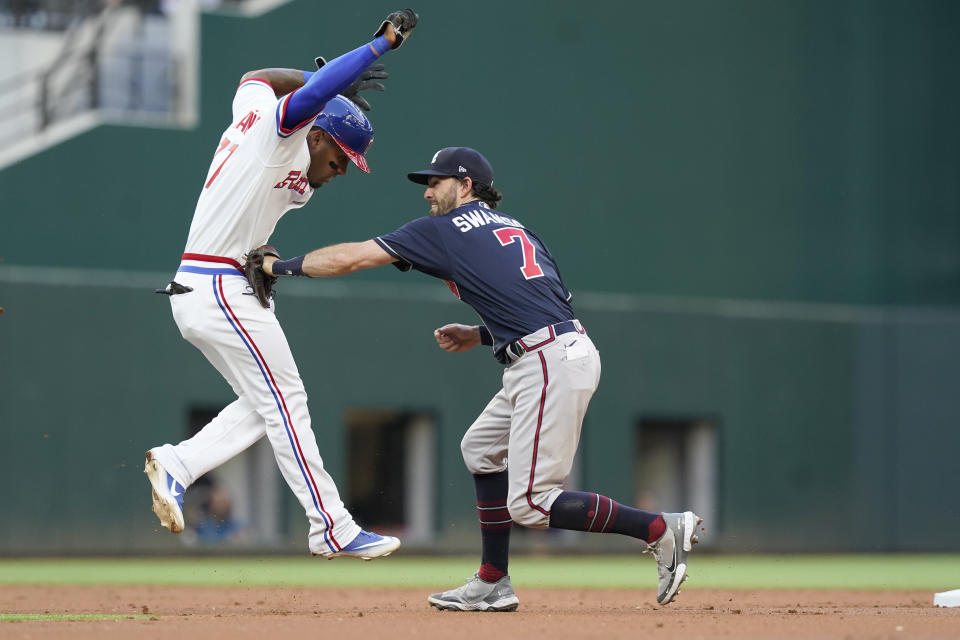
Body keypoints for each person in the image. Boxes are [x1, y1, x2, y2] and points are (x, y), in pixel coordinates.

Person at [252, 147, 704, 608]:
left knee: (532, 503)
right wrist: (481, 333)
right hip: (553, 349)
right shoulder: (517, 228)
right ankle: (492, 581)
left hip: (547, 360)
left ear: (465, 186)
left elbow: (352, 258)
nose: (427, 192)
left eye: (437, 181)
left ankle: (659, 527)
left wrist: (276, 266)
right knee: (481, 450)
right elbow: (547, 304)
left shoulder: (446, 229)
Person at [144, 8, 419, 561]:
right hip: (217, 285)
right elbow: (279, 89)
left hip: (206, 285)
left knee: (266, 402)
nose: (343, 171)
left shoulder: (273, 128)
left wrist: (318, 84)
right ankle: (332, 526)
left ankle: (179, 464)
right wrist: (373, 50)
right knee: (288, 400)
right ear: (318, 135)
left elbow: (253, 80)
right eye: (343, 158)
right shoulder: (280, 129)